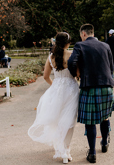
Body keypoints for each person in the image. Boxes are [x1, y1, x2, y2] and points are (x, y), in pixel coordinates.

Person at [29, 32, 80, 164]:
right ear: (68, 43)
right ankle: (66, 150)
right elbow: (78, 73)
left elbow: (45, 76)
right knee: (69, 121)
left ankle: (61, 148)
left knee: (57, 120)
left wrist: (55, 86)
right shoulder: (72, 54)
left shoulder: (51, 57)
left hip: (56, 89)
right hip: (71, 89)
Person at [68, 24, 114, 164]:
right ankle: (105, 143)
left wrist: (77, 75)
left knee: (90, 121)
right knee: (105, 117)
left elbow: (72, 62)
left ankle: (92, 152)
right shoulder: (105, 46)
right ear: (92, 33)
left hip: (89, 87)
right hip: (106, 86)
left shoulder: (80, 45)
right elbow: (111, 67)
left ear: (83, 33)